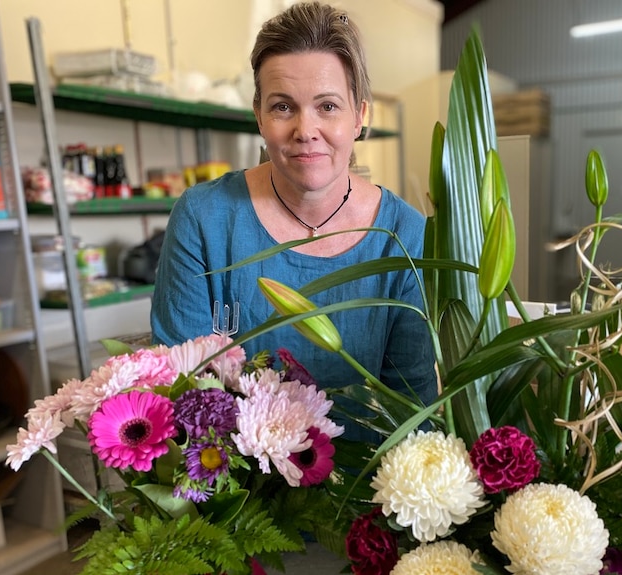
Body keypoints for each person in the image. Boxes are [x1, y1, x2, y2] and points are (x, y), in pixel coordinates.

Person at [150, 1, 437, 443]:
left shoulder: (405, 237)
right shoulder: (204, 220)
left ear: (361, 116)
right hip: (236, 493)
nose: (306, 129)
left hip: (368, 488)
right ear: (259, 117)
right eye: (283, 107)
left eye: (327, 106)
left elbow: (412, 410)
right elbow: (183, 395)